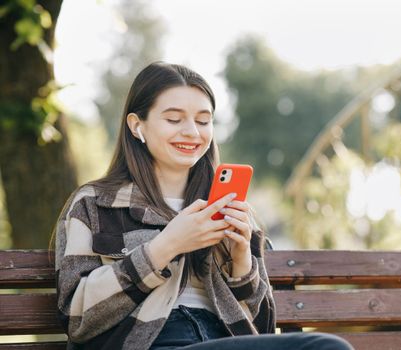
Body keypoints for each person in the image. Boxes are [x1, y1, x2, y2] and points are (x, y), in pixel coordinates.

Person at [53, 62, 353, 350]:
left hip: (223, 340)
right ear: (136, 125)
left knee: (325, 346)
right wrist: (167, 245)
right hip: (148, 341)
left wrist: (241, 261)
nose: (192, 133)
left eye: (203, 120)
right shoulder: (95, 204)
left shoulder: (230, 206)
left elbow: (261, 329)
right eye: (174, 119)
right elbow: (77, 318)